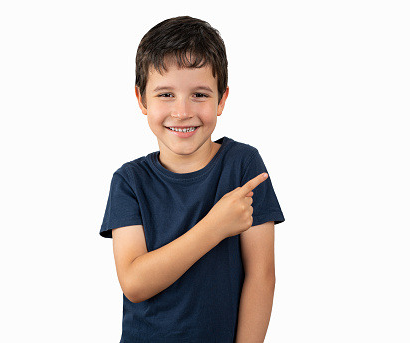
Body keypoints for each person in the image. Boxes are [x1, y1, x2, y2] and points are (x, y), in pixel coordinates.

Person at [100, 16, 284, 343]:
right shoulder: (129, 181)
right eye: (166, 94)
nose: (182, 111)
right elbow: (135, 283)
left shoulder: (244, 165)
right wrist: (215, 226)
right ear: (142, 100)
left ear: (222, 99)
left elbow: (262, 276)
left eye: (199, 94)